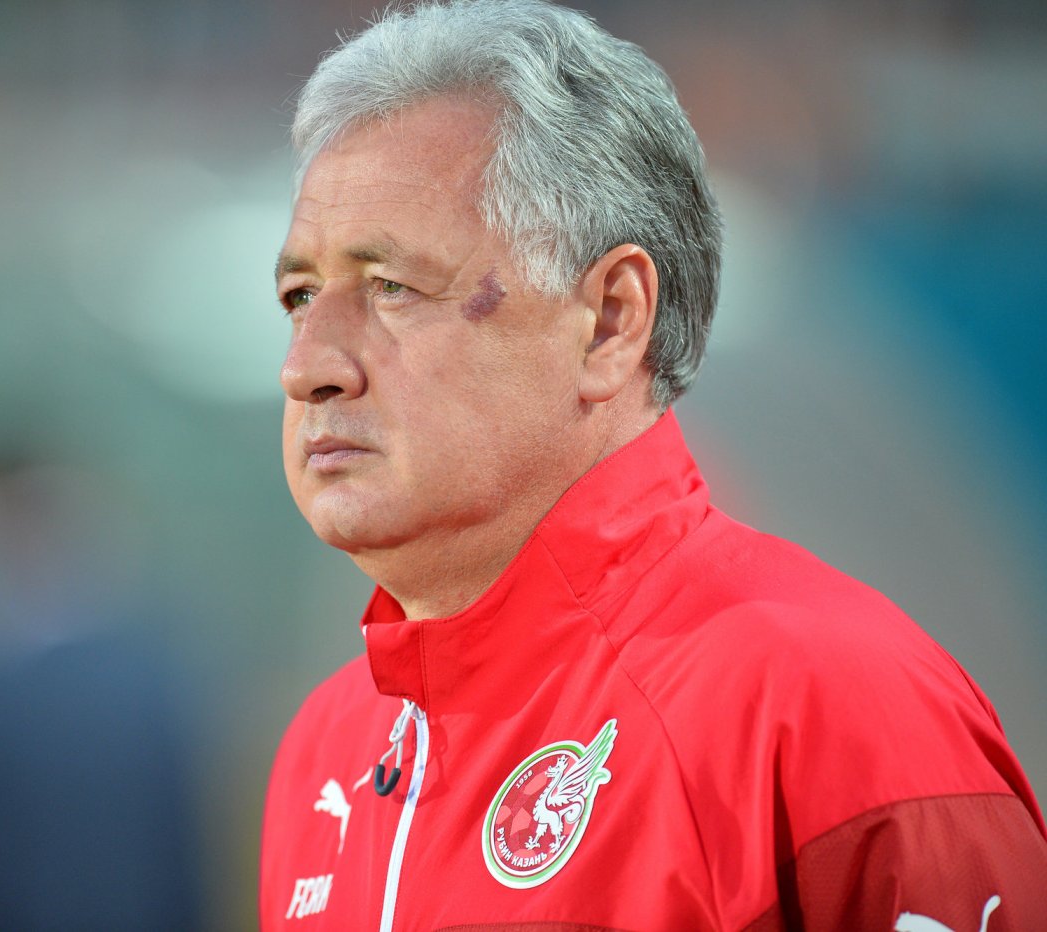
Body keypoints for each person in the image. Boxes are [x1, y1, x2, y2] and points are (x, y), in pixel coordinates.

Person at [258, 0, 1047, 929]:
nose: (306, 366)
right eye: (300, 295)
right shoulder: (326, 750)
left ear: (609, 321)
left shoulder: (828, 704)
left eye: (392, 286)